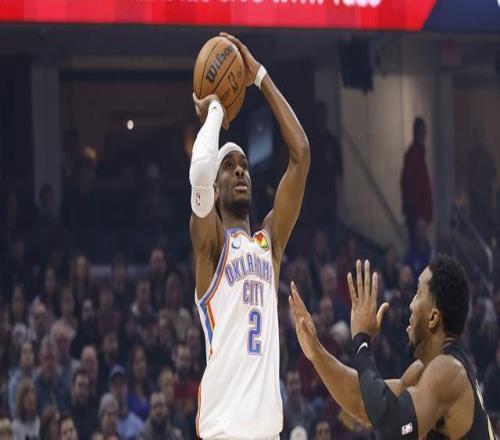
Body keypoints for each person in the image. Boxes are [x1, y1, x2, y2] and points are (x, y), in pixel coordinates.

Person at [190, 32, 310, 439]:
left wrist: (258, 76)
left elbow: (301, 154)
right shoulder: (210, 244)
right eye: (229, 167)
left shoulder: (268, 243)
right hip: (224, 432)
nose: (240, 170)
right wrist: (215, 111)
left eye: (243, 165)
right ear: (216, 188)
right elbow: (200, 170)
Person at [290, 255, 496, 439]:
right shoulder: (425, 371)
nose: (410, 304)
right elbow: (361, 402)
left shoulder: (449, 371)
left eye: (418, 293)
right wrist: (316, 352)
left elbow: (392, 428)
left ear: (433, 318)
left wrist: (361, 339)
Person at [400, 117, 433, 242]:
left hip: (420, 215)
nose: (422, 135)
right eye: (420, 132)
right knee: (418, 245)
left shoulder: (419, 155)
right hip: (417, 215)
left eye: (424, 132)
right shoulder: (412, 156)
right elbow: (408, 185)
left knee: (421, 245)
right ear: (415, 133)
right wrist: (414, 214)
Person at [69, 368, 98, 440]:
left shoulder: (94, 415)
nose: (83, 391)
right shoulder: (66, 413)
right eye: (80, 386)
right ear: (73, 387)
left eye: (86, 387)